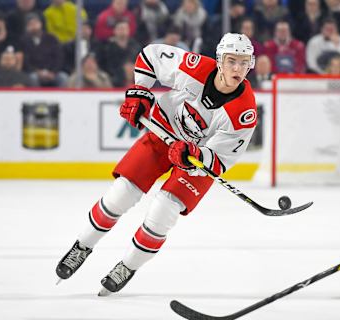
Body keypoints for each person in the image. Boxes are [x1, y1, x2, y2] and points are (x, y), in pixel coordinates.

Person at [55, 33, 257, 295]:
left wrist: (194, 153)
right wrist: (140, 91)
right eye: (231, 61)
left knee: (163, 212)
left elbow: (220, 159)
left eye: (244, 63)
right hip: (162, 134)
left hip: (195, 160)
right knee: (121, 194)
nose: (237, 69)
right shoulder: (194, 67)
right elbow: (150, 57)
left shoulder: (244, 112)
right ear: (219, 60)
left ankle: (127, 266)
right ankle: (82, 246)